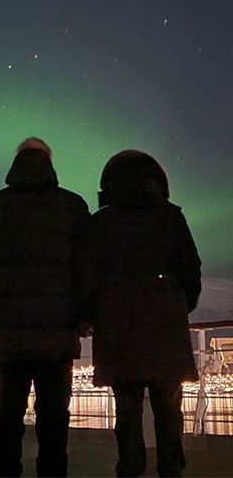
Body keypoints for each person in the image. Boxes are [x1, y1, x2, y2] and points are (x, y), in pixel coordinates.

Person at [0, 137, 90, 477]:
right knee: (53, 418)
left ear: (15, 161)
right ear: (50, 162)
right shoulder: (72, 206)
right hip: (57, 333)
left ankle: (5, 471)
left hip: (9, 332)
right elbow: (87, 268)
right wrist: (79, 314)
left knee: (7, 414)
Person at [82, 150, 201, 477]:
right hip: (166, 322)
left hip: (117, 323)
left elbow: (88, 275)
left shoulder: (101, 223)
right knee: (168, 409)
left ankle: (130, 469)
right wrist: (178, 305)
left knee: (127, 410)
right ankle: (172, 470)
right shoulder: (171, 217)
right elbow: (191, 270)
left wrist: (94, 314)